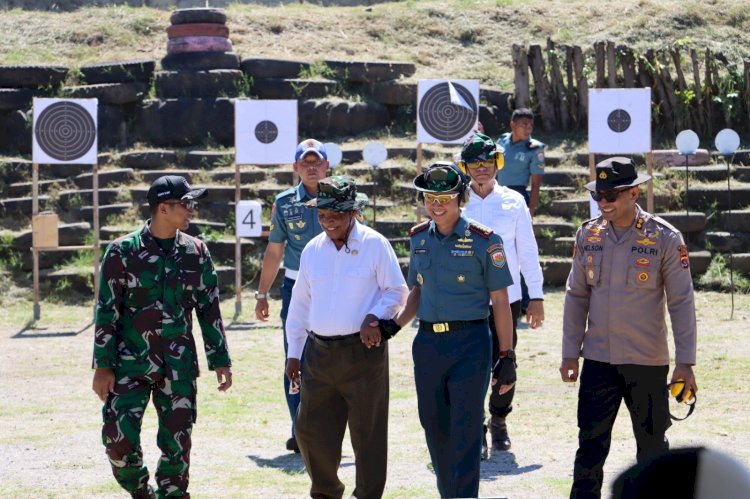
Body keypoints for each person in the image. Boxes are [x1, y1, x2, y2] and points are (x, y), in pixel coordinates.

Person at [560, 157, 698, 499]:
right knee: (589, 448)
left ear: (634, 193)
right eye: (598, 195)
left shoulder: (665, 237)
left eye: (612, 195)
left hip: (646, 362)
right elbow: (576, 296)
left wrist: (685, 363)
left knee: (652, 450)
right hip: (598, 361)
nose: (604, 202)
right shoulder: (588, 234)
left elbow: (681, 302)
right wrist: (569, 353)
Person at [92, 175, 232, 499]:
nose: (192, 209)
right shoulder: (122, 252)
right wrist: (103, 366)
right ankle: (142, 492)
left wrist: (220, 360)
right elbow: (106, 311)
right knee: (118, 441)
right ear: (163, 208)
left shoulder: (196, 252)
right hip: (130, 364)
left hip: (179, 365)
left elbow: (209, 310)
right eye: (186, 203)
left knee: (177, 450)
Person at [391, 162, 517, 498]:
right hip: (428, 343)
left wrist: (507, 355)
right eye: (431, 197)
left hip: (471, 344)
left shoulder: (485, 241)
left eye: (445, 197)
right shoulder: (418, 238)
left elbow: (501, 302)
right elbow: (416, 292)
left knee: (466, 429)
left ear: (460, 198)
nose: (436, 204)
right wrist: (393, 325)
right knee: (433, 425)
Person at [285, 176, 408, 499]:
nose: (328, 222)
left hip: (362, 354)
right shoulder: (312, 251)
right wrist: (294, 354)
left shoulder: (375, 244)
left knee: (367, 433)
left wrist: (375, 317)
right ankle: (326, 492)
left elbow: (397, 292)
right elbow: (299, 305)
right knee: (309, 431)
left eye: (335, 215)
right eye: (322, 215)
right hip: (318, 354)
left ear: (352, 213)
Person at [459, 132, 545, 456]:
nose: (482, 169)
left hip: (506, 301)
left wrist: (535, 296)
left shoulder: (514, 201)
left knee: (504, 363)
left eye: (487, 162)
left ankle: (499, 419)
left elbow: (527, 251)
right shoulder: (455, 201)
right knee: (468, 368)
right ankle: (475, 425)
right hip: (465, 300)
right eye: (475, 163)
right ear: (465, 167)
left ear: (498, 163)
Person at [255, 138, 329, 453]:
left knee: (335, 360)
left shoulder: (343, 197)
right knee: (295, 358)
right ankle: (300, 429)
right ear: (295, 167)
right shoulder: (284, 203)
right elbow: (275, 250)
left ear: (327, 165)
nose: (311, 167)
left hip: (335, 287)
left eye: (317, 161)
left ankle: (327, 428)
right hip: (296, 288)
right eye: (305, 162)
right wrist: (261, 293)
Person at [496, 108, 546, 218]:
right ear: (513, 125)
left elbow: (536, 184)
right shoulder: (502, 140)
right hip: (497, 193)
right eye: (524, 125)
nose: (528, 129)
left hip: (517, 195)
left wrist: (530, 212)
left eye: (530, 126)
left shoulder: (535, 149)